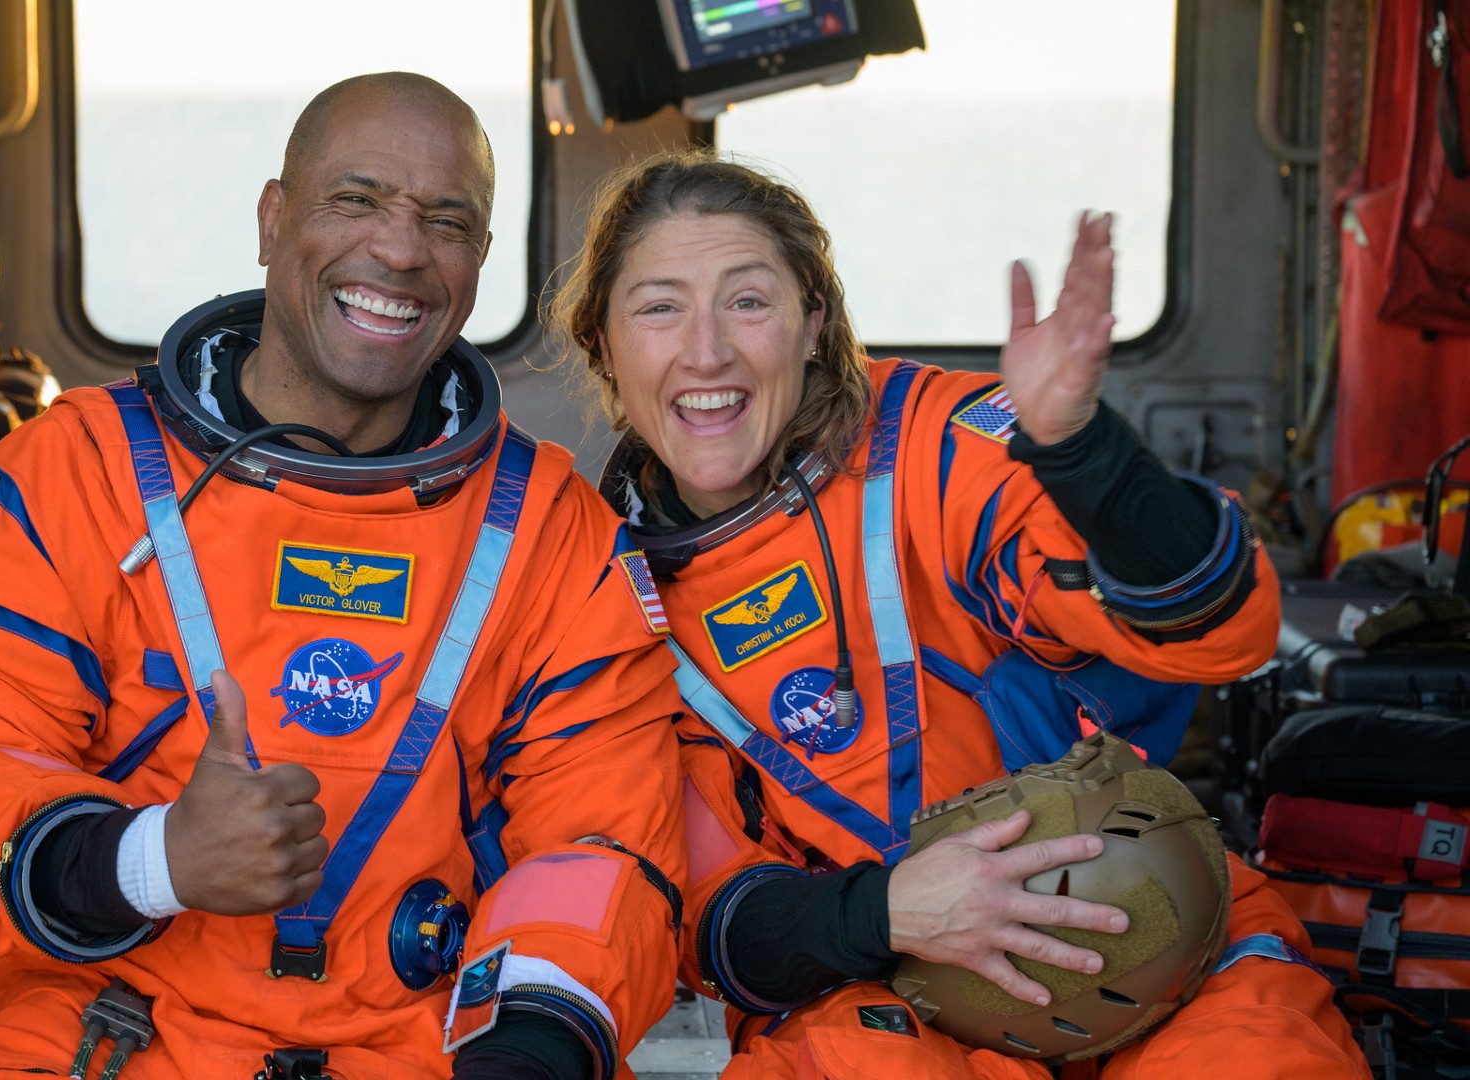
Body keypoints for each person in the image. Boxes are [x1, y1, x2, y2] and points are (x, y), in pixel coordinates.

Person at [0, 73, 687, 1080]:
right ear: (272, 219)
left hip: (432, 1055)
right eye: (356, 199)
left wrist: (527, 1053)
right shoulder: (73, 479)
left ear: (479, 258)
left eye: (446, 221)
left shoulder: (552, 535)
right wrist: (154, 860)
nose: (400, 249)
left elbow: (604, 848)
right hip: (116, 1042)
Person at [551, 151, 1369, 1078]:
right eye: (660, 308)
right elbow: (707, 922)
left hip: (1145, 919)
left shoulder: (936, 450)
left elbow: (1222, 630)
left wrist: (1081, 452)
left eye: (747, 301)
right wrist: (889, 912)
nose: (707, 352)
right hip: (888, 988)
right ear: (603, 343)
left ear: (813, 324)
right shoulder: (600, 594)